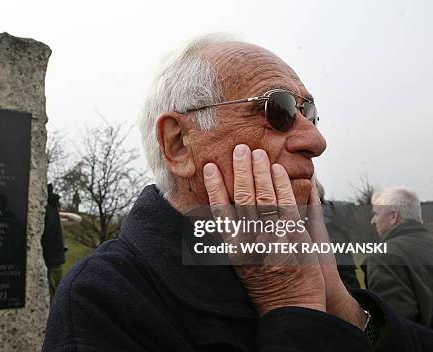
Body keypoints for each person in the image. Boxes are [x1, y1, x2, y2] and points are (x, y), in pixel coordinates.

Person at [43, 35, 433, 351]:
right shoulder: (104, 299)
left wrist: (342, 307)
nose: (316, 139)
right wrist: (295, 309)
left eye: (310, 112)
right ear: (179, 144)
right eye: (277, 109)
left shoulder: (320, 256)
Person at [362, 187, 433, 327]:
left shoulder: (384, 257)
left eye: (376, 214)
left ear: (393, 216)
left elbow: (397, 329)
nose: (373, 221)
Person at [41, 184, 66, 299]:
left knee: (53, 295)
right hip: (57, 258)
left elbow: (78, 219)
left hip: (51, 260)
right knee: (56, 295)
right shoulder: (52, 209)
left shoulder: (47, 210)